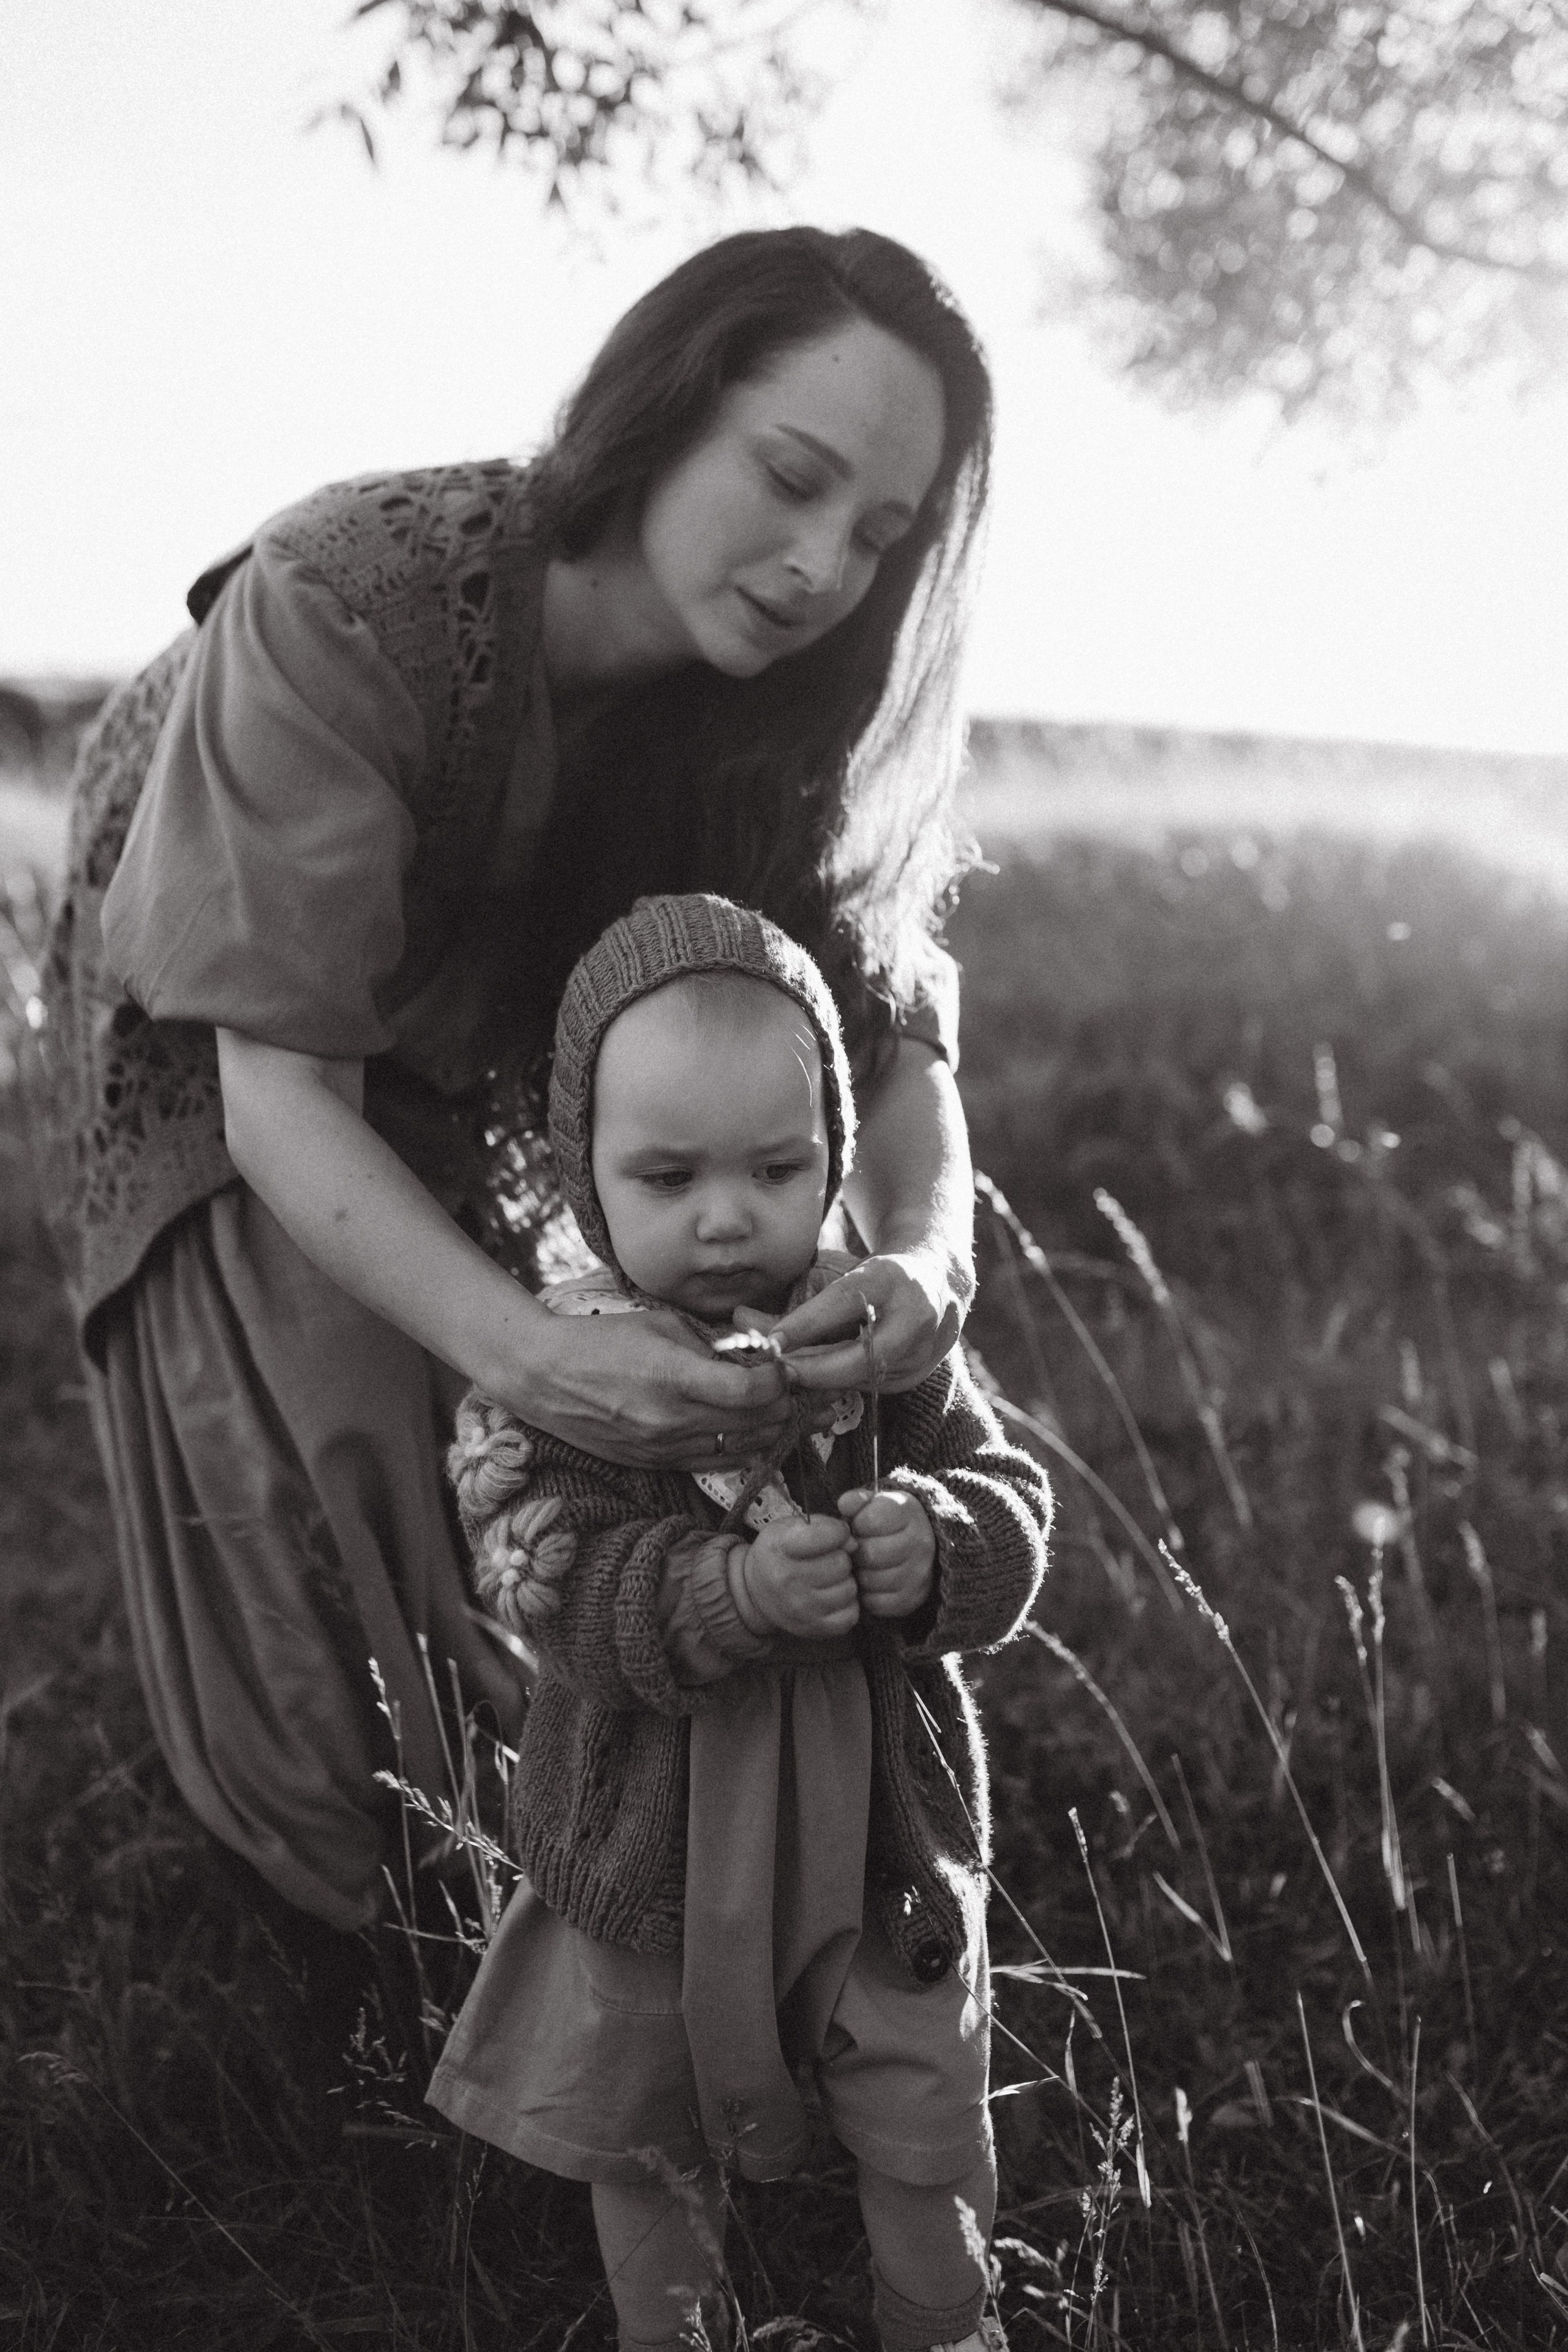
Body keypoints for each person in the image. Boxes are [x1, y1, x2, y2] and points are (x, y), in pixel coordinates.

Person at [35, 225, 994, 1936]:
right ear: (661, 409)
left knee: (533, 1519)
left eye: (878, 535)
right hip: (223, 1067)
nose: (819, 566)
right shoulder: (350, 595)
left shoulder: (771, 722)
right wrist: (535, 1358)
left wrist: (929, 1263)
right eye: (791, 477)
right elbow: (278, 1089)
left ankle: (572, 1893)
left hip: (442, 1071)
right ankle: (384, 1947)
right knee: (330, 1541)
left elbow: (893, 1046)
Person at [428, 894, 1052, 2352]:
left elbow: (1009, 1497)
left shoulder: (874, 1336)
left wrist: (937, 1545)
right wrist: (725, 1593)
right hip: (649, 1843)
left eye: (776, 1168)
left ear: (834, 1146)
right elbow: (547, 1587)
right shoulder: (560, 1380)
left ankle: (941, 2319)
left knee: (923, 2113)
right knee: (645, 2140)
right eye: (666, 1177)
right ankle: (673, 2332)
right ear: (583, 1173)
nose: (725, 1217)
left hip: (878, 1838)